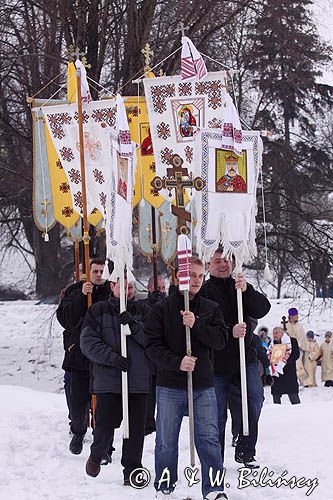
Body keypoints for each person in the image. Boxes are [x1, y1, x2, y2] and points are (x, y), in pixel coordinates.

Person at [144, 257, 230, 500]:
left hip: (202, 385)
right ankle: (165, 487)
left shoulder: (210, 308)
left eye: (200, 276)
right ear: (179, 276)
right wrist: (177, 362)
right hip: (170, 385)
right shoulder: (161, 309)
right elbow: (151, 345)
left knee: (209, 439)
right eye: (191, 275)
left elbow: (220, 340)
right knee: (166, 441)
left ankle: (214, 489)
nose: (196, 280)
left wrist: (197, 324)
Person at [200, 248, 271, 468]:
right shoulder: (204, 291)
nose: (224, 265)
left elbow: (262, 309)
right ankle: (216, 458)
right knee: (217, 413)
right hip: (217, 362)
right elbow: (202, 325)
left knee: (254, 399)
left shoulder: (240, 287)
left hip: (245, 357)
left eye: (228, 260)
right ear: (208, 265)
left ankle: (246, 448)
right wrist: (229, 331)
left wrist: (247, 290)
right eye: (218, 261)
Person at [81, 276, 150, 484]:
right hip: (109, 380)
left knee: (135, 431)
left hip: (137, 381)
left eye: (131, 287)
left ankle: (132, 469)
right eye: (123, 286)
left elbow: (152, 339)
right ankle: (97, 453)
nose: (128, 291)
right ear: (112, 286)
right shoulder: (98, 311)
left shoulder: (144, 311)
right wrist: (113, 359)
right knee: (105, 425)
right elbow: (88, 342)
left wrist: (133, 325)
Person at [60, 258, 110, 455]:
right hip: (78, 356)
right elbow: (67, 319)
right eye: (95, 271)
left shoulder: (110, 292)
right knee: (78, 401)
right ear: (87, 272)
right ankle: (78, 432)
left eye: (101, 272)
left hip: (102, 356)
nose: (98, 275)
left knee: (104, 403)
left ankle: (103, 442)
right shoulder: (74, 291)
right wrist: (82, 296)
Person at [139, 275, 167, 436]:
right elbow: (147, 327)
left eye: (164, 288)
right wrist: (153, 306)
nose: (161, 291)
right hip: (147, 360)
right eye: (158, 288)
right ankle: (148, 426)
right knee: (148, 397)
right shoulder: (141, 305)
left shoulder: (168, 304)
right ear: (150, 288)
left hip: (163, 359)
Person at [269, 327, 300, 405]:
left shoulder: (292, 341)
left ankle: (299, 412)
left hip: (289, 372)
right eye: (273, 333)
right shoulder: (272, 344)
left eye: (276, 333)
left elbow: (296, 354)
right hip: (277, 374)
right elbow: (269, 355)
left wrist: (285, 363)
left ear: (282, 333)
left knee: (293, 396)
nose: (274, 335)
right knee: (276, 396)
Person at [286, 308, 308, 384]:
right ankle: (292, 380)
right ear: (291, 316)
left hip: (298, 348)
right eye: (295, 315)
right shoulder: (284, 324)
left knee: (299, 364)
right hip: (288, 349)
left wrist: (302, 346)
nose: (297, 317)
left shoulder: (299, 326)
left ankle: (301, 380)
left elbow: (302, 337)